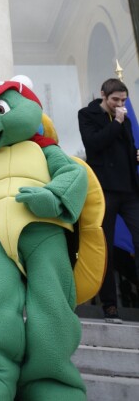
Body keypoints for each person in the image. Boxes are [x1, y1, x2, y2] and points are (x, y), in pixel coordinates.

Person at [78, 77, 139, 321]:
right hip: (104, 191)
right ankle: (109, 305)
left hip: (129, 191)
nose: (119, 104)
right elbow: (93, 145)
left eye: (123, 100)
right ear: (103, 95)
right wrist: (117, 123)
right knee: (105, 249)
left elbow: (130, 148)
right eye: (115, 99)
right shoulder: (87, 114)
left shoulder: (122, 117)